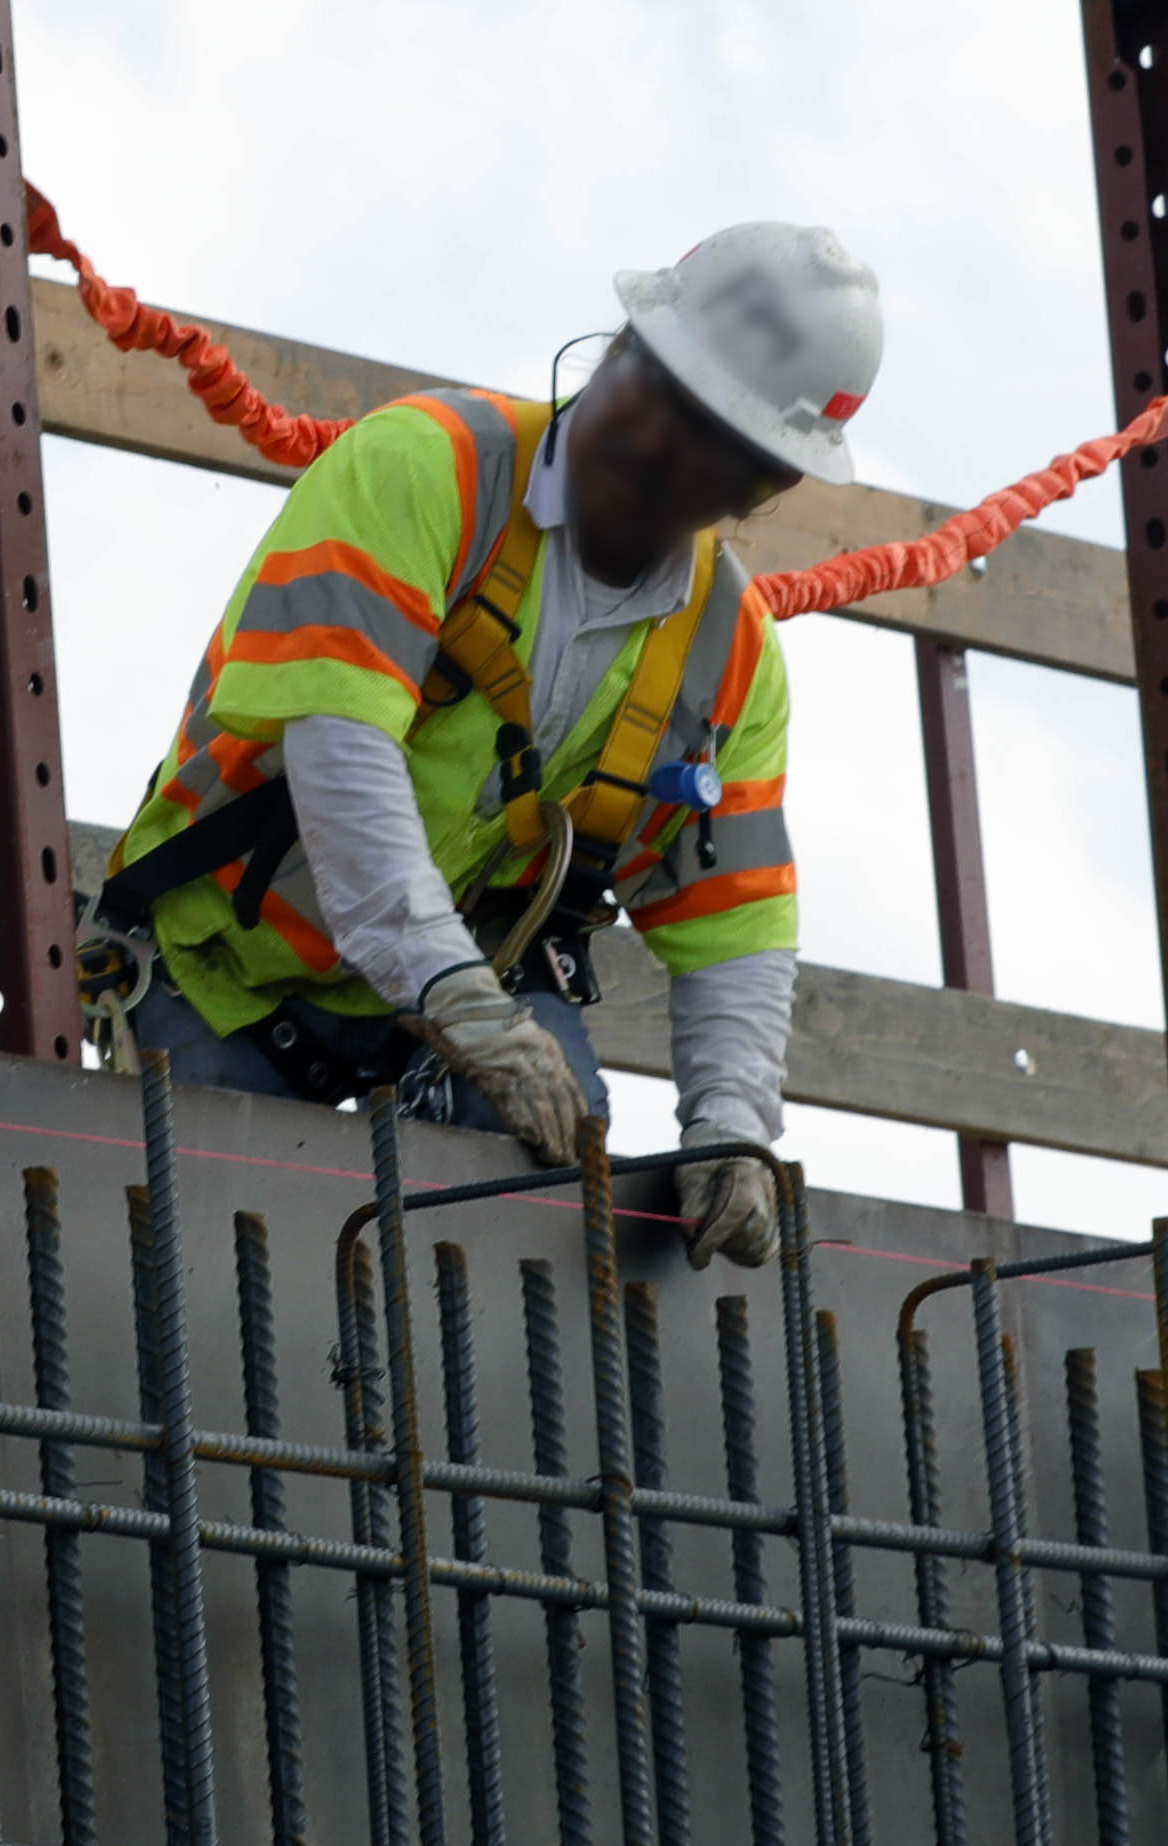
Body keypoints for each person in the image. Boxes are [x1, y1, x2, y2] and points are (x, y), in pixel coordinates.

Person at [80, 220, 864, 1267]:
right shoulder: (427, 470)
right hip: (227, 977)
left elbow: (733, 925)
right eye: (642, 382)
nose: (636, 434)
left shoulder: (726, 653)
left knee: (534, 1261)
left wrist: (731, 1126)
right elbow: (341, 757)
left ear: (762, 485)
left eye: (695, 435)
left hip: (464, 1002)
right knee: (207, 1306)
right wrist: (458, 1004)